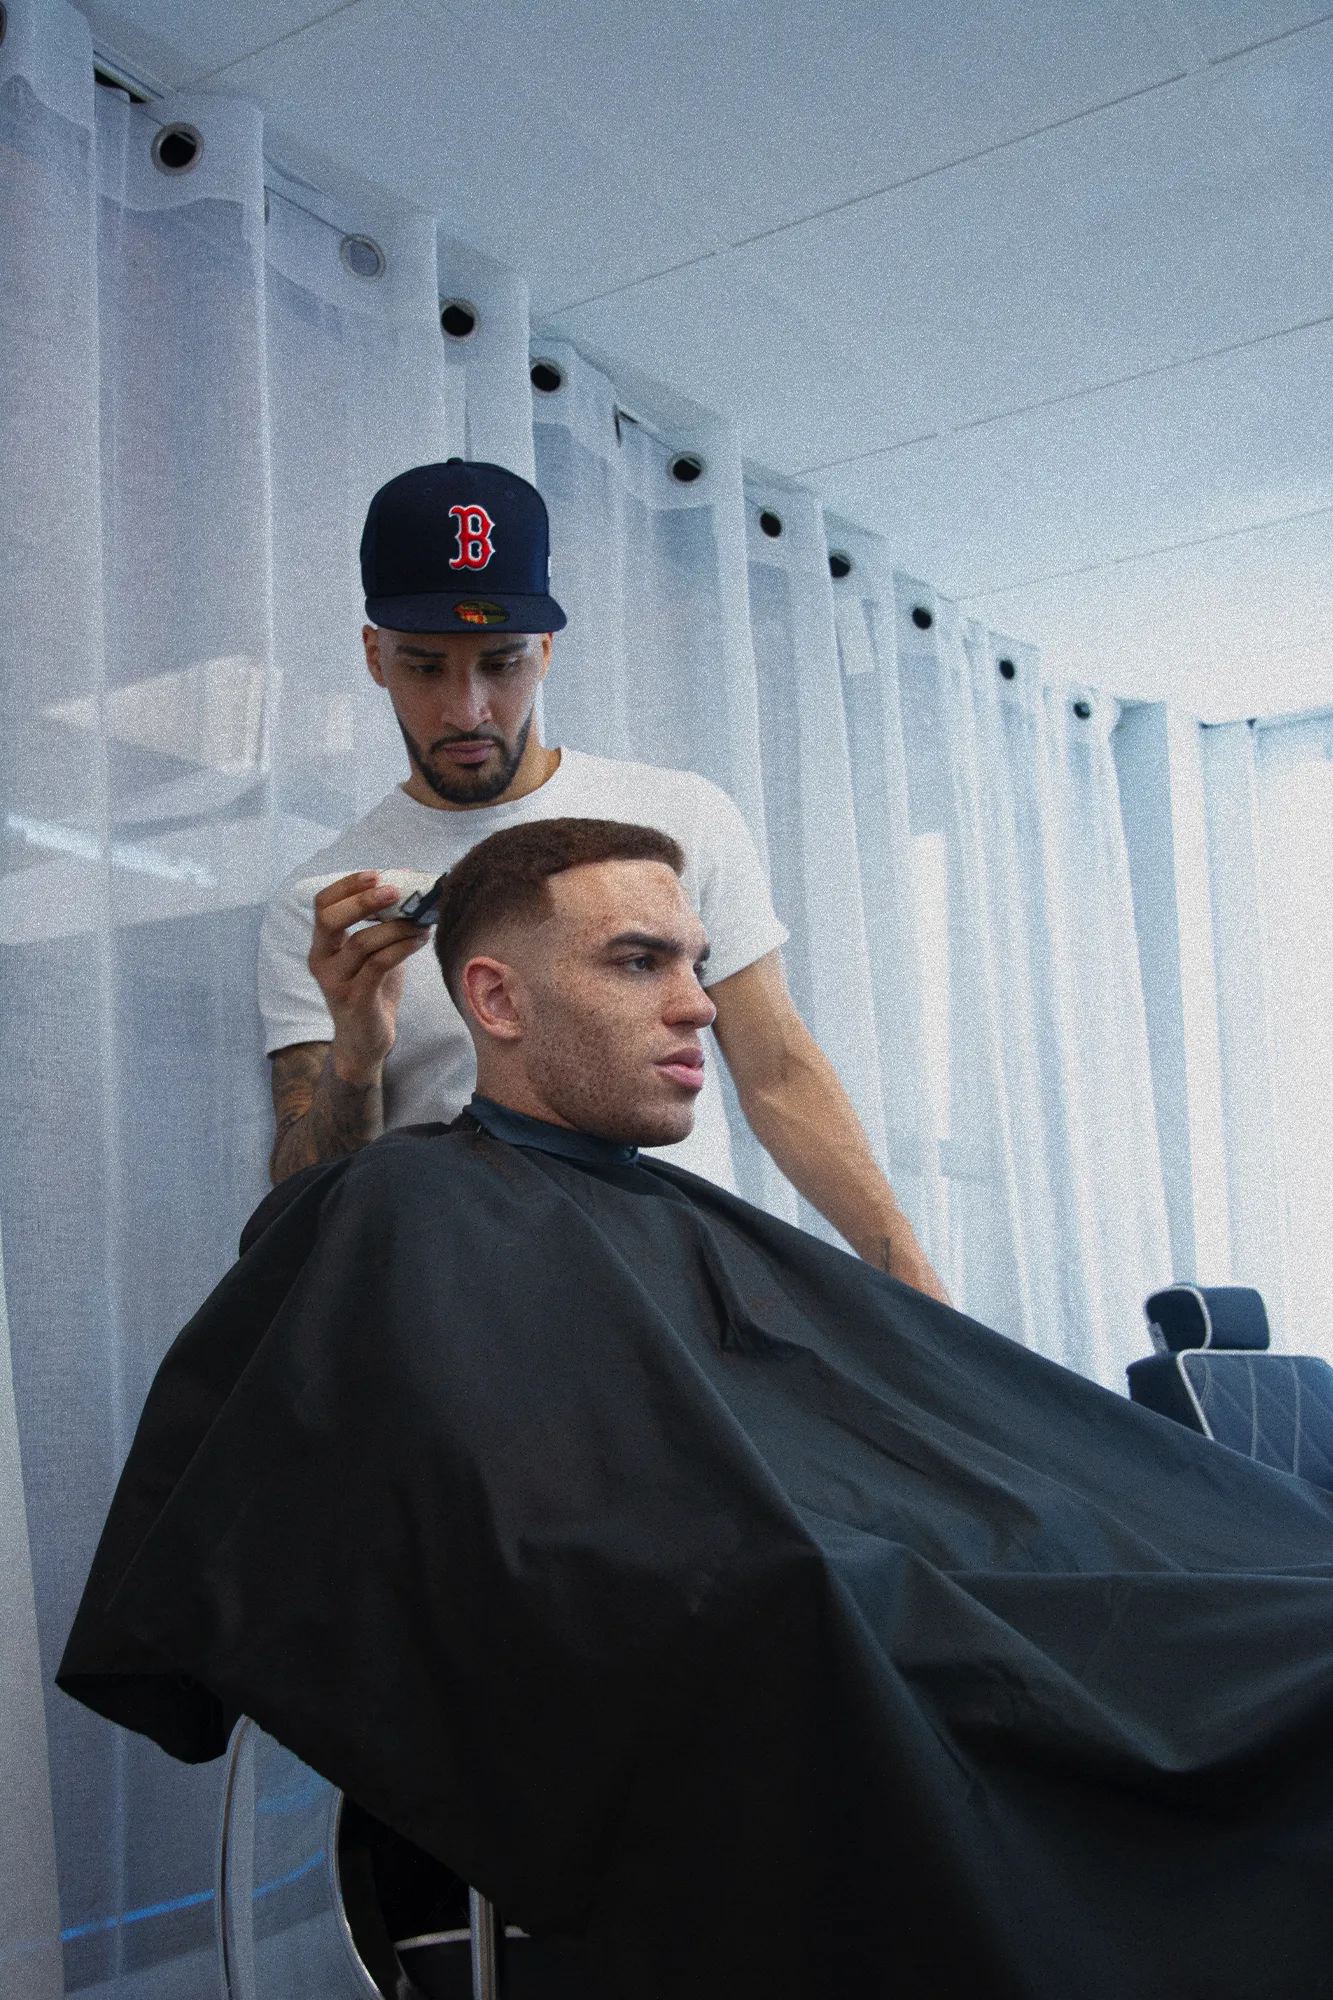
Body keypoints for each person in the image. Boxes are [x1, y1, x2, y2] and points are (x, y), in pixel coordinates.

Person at [62, 820, 1333, 2000]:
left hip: (972, 1571)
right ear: (496, 999)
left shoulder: (665, 1220)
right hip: (829, 1611)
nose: (699, 1005)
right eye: (637, 961)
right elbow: (547, 1528)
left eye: (695, 961)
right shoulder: (412, 1203)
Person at [258, 457, 946, 1299]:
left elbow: (776, 1071)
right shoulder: (324, 902)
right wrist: (357, 1058)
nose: (466, 709)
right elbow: (300, 1197)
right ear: (374, 656)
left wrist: (918, 1292)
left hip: (683, 1296)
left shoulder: (681, 816)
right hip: (467, 1315)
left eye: (501, 663)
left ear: (545, 651)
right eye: (425, 666)